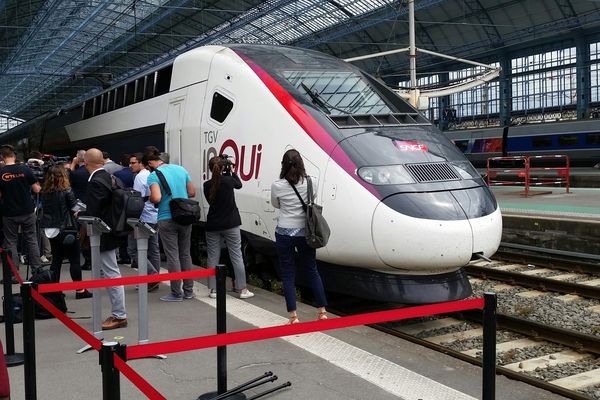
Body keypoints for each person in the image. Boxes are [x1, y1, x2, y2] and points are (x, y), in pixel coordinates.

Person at [271, 149, 327, 324]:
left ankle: (293, 316)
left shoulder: (277, 185)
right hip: (306, 233)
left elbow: (276, 204)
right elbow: (311, 200)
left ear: (283, 165)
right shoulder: (312, 182)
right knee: (311, 270)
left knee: (288, 274)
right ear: (302, 164)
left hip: (284, 233)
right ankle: (322, 312)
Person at [83, 148, 127, 329]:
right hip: (112, 229)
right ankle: (116, 312)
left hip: (103, 233)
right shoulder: (110, 177)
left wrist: (82, 213)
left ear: (85, 163)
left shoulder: (96, 181)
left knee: (111, 272)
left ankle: (119, 315)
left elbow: (95, 210)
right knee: (108, 271)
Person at [146, 149, 196, 302]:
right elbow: (192, 192)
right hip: (185, 217)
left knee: (172, 255)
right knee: (185, 254)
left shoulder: (154, 175)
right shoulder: (181, 169)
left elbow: (156, 197)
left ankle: (176, 293)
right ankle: (188, 291)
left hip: (167, 217)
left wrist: (150, 198)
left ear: (150, 163)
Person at [203, 156, 253, 299]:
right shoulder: (229, 181)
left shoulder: (207, 185)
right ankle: (242, 289)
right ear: (224, 167)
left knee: (213, 257)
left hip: (213, 224)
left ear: (210, 168)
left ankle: (213, 290)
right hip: (231, 224)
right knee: (236, 256)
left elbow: (210, 200)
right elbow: (239, 184)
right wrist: (232, 171)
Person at [40, 166, 91, 299]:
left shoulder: (44, 192)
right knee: (74, 259)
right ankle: (80, 290)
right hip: (67, 228)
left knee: (56, 259)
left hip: (50, 229)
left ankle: (54, 291)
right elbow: (75, 208)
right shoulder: (67, 191)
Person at [0, 146, 42, 275]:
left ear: (2, 157)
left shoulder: (0, 173)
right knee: (31, 239)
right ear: (14, 155)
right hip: (27, 211)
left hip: (9, 212)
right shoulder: (25, 169)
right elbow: (37, 189)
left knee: (11, 241)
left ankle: (13, 274)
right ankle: (37, 270)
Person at [131, 153, 161, 289]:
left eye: (133, 163)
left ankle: (152, 276)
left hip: (144, 217)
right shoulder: (152, 175)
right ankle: (155, 278)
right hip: (156, 215)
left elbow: (137, 200)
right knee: (154, 249)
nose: (130, 165)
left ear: (141, 163)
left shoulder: (139, 177)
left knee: (134, 249)